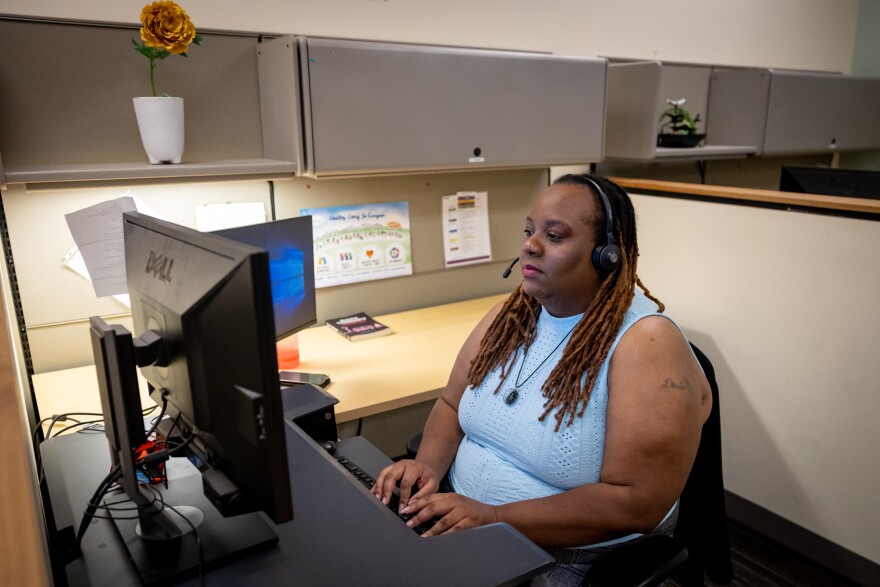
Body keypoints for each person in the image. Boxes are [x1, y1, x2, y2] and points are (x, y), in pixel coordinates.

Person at [371, 173, 711, 585]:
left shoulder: (647, 344)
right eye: (529, 230)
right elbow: (451, 403)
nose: (530, 245)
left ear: (606, 255)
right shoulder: (511, 315)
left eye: (554, 236)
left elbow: (636, 503)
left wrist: (494, 516)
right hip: (461, 520)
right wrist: (426, 466)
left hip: (567, 557)